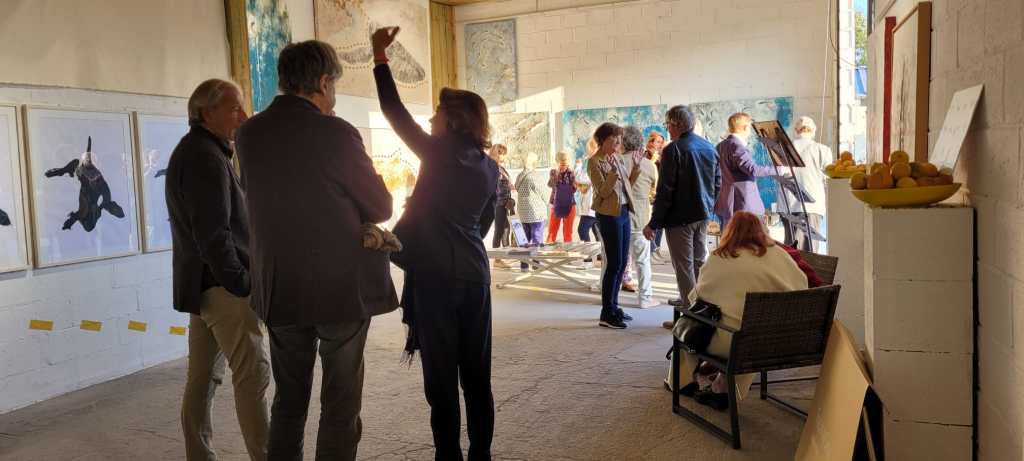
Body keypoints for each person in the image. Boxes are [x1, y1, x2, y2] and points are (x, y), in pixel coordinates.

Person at [236, 40, 397, 461]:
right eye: (335, 86)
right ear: (324, 82)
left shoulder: (248, 134)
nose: (335, 96)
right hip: (338, 288)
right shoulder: (336, 132)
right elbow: (380, 206)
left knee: (288, 401)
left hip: (279, 285)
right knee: (340, 402)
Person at [373, 27, 498, 461]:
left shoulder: (438, 153)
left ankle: (449, 456)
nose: (430, 120)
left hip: (436, 279)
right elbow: (484, 222)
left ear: (454, 120)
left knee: (441, 379)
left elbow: (393, 110)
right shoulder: (490, 167)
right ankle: (481, 455)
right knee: (477, 376)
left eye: (437, 113)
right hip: (475, 275)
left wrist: (379, 56)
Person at [165, 78, 270, 461]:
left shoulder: (201, 151)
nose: (243, 116)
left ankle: (199, 454)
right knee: (253, 374)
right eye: (234, 108)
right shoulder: (204, 158)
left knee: (202, 378)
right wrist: (241, 284)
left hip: (203, 287)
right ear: (207, 112)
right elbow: (213, 235)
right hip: (223, 289)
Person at [667, 211, 808, 410]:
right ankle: (722, 387)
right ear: (762, 230)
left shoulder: (721, 257)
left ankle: (681, 383)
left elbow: (695, 298)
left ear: (730, 232)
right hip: (784, 340)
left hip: (739, 344)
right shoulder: (781, 255)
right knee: (745, 324)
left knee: (690, 323)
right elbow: (803, 287)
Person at [642, 105, 720, 328]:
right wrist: (708, 207)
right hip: (702, 215)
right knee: (698, 263)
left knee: (684, 267)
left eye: (668, 124)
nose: (667, 129)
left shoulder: (673, 150)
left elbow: (666, 191)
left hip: (679, 219)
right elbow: (718, 183)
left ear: (675, 124)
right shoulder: (709, 147)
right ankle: (701, 310)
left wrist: (653, 223)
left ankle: (690, 320)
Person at [589, 122, 636, 329]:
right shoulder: (594, 162)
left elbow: (628, 185)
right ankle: (606, 312)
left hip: (624, 212)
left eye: (619, 138)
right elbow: (603, 191)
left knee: (623, 263)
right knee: (614, 263)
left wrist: (636, 167)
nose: (617, 142)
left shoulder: (617, 157)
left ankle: (615, 307)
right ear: (602, 140)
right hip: (609, 215)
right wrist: (613, 172)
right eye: (613, 138)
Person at [44, 136, 127, 231]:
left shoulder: (101, 199)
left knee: (89, 220)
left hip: (88, 189)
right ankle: (65, 170)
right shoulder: (101, 191)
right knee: (80, 166)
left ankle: (67, 171)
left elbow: (86, 212)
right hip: (88, 186)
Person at [619, 126, 660, 308]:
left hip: (618, 216)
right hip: (641, 218)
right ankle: (645, 298)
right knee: (642, 261)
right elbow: (654, 192)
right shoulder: (649, 165)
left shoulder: (616, 162)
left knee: (613, 260)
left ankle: (610, 297)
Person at [714, 112, 776, 229]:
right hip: (742, 205)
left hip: (725, 205)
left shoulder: (719, 146)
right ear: (746, 127)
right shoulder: (737, 146)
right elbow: (753, 170)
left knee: (729, 239)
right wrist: (779, 170)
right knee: (752, 239)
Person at [784, 116, 831, 252]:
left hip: (788, 204)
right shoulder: (823, 150)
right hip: (812, 206)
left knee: (791, 250)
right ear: (813, 131)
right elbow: (828, 176)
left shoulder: (784, 149)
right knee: (810, 250)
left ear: (796, 130)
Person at [514, 152, 548, 247]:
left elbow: (516, 187)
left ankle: (523, 257)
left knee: (523, 241)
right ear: (534, 163)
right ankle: (536, 256)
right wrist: (547, 202)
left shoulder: (519, 176)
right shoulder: (534, 176)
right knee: (537, 240)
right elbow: (543, 193)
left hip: (523, 213)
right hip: (536, 213)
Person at [489, 144, 514, 269]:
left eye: (504, 153)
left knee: (505, 228)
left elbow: (505, 184)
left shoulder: (501, 168)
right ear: (496, 154)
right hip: (499, 203)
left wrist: (509, 186)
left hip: (505, 203)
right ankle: (497, 260)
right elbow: (494, 187)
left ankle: (502, 256)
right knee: (499, 230)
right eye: (501, 153)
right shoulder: (493, 168)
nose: (503, 156)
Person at [644, 131, 667, 260]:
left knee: (660, 222)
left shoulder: (662, 156)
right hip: (649, 193)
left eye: (661, 142)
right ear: (651, 142)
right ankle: (651, 249)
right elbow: (645, 171)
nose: (660, 144)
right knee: (651, 222)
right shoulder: (645, 155)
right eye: (658, 141)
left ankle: (656, 248)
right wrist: (653, 159)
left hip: (660, 191)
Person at [546, 151, 577, 244]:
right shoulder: (553, 172)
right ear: (557, 161)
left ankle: (568, 251)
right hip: (556, 204)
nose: (563, 162)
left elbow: (574, 189)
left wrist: (573, 186)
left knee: (568, 233)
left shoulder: (571, 173)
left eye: (565, 160)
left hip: (569, 204)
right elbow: (550, 184)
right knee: (552, 232)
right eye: (561, 160)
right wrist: (557, 173)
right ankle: (549, 250)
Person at [575, 158, 600, 245]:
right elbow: (582, 184)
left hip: (591, 209)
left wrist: (578, 165)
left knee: (582, 230)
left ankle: (589, 252)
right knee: (597, 231)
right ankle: (602, 251)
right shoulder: (592, 172)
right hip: (593, 208)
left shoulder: (594, 172)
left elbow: (579, 178)